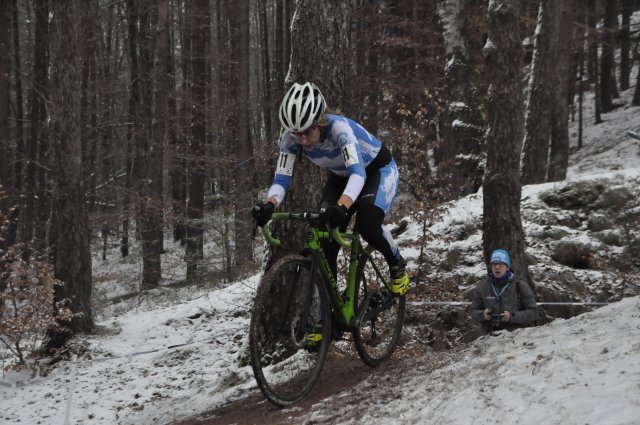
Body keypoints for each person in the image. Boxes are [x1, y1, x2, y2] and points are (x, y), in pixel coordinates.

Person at [252, 82, 409, 296]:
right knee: (325, 242)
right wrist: (270, 204)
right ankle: (328, 321)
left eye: (307, 132)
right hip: (342, 177)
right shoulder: (290, 138)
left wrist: (343, 206)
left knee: (367, 224)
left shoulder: (339, 130)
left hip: (376, 171)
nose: (303, 140)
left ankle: (397, 265)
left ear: (320, 123)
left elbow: (358, 173)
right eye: (297, 134)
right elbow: (282, 178)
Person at [471, 249, 539, 333]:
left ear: (507, 267)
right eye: (494, 264)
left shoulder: (520, 286)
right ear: (491, 267)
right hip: (489, 337)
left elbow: (533, 312)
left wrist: (511, 316)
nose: (497, 267)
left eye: (501, 264)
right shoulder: (482, 287)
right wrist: (483, 315)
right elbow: (473, 312)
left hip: (516, 337)